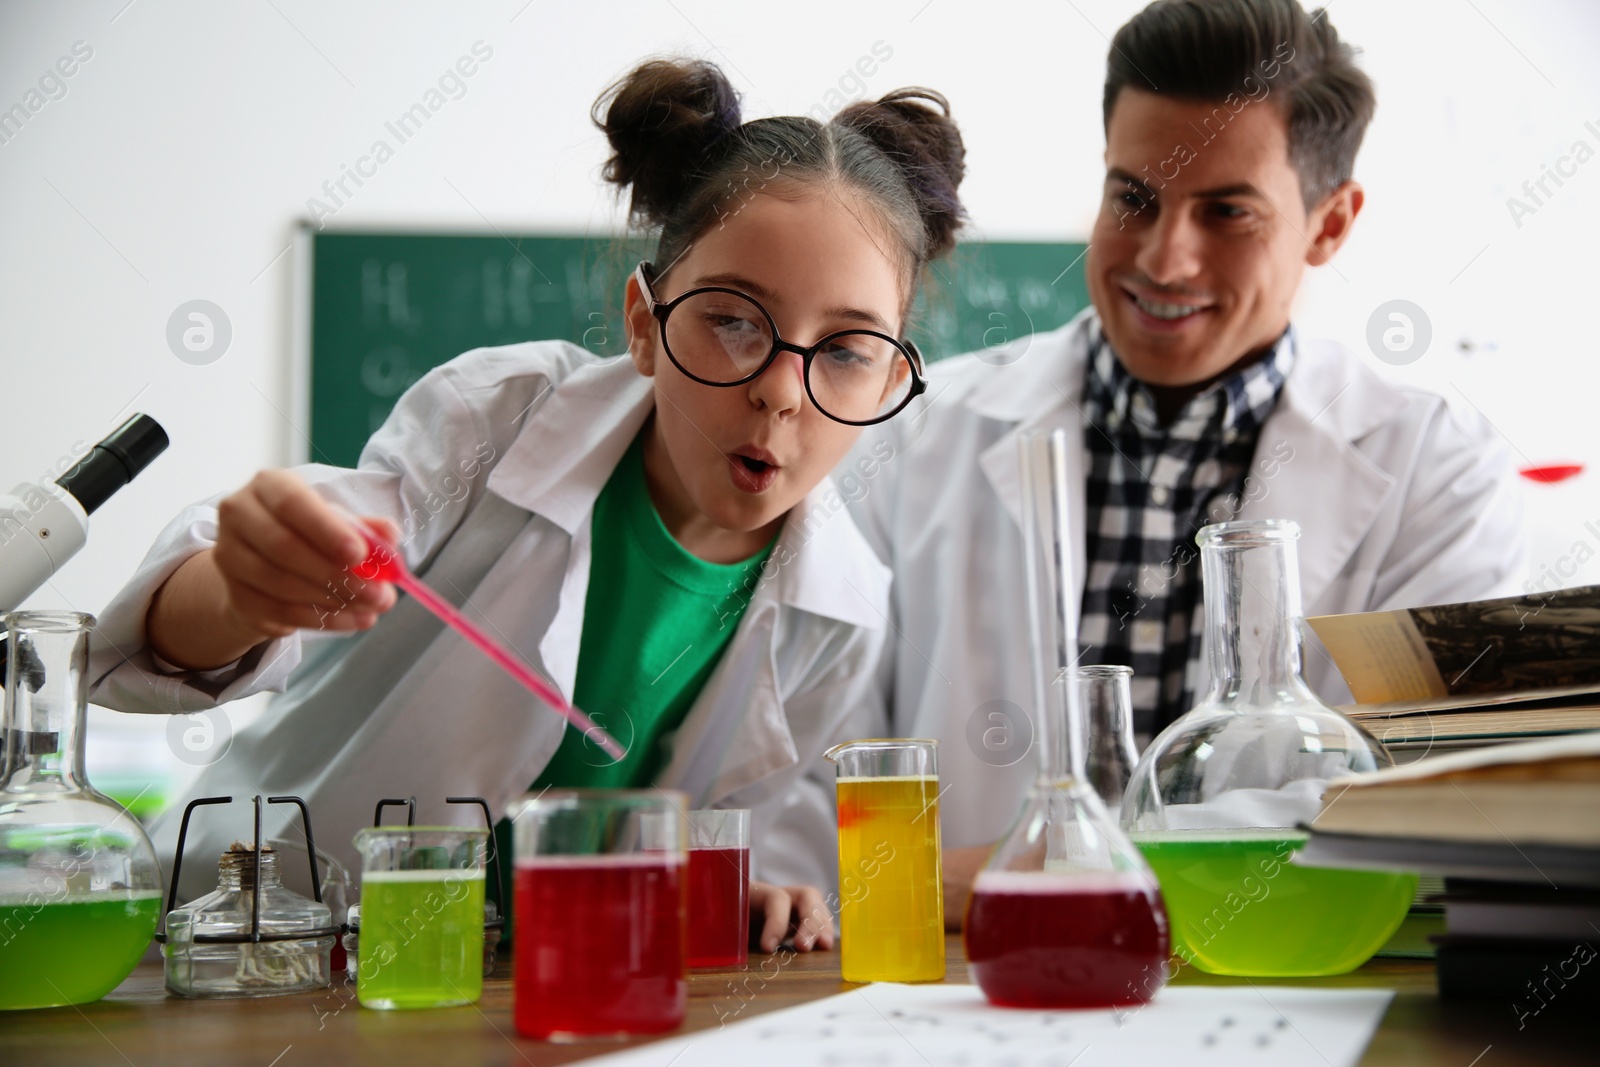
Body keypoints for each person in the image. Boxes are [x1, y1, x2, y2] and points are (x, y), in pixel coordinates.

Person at [88, 58, 967, 953]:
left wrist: (748, 889)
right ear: (644, 323)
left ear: (895, 378)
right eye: (733, 319)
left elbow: (727, 830)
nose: (782, 389)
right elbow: (178, 635)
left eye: (849, 349)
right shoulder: (499, 418)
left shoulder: (840, 610)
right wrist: (241, 595)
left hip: (519, 986)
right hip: (250, 945)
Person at [844, 0, 1525, 924]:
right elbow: (817, 770)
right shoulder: (911, 431)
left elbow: (1424, 814)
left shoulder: (1440, 470)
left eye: (1226, 212)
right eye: (1135, 198)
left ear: (1330, 224)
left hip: (1292, 997)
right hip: (965, 994)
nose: (1165, 258)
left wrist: (1035, 874)